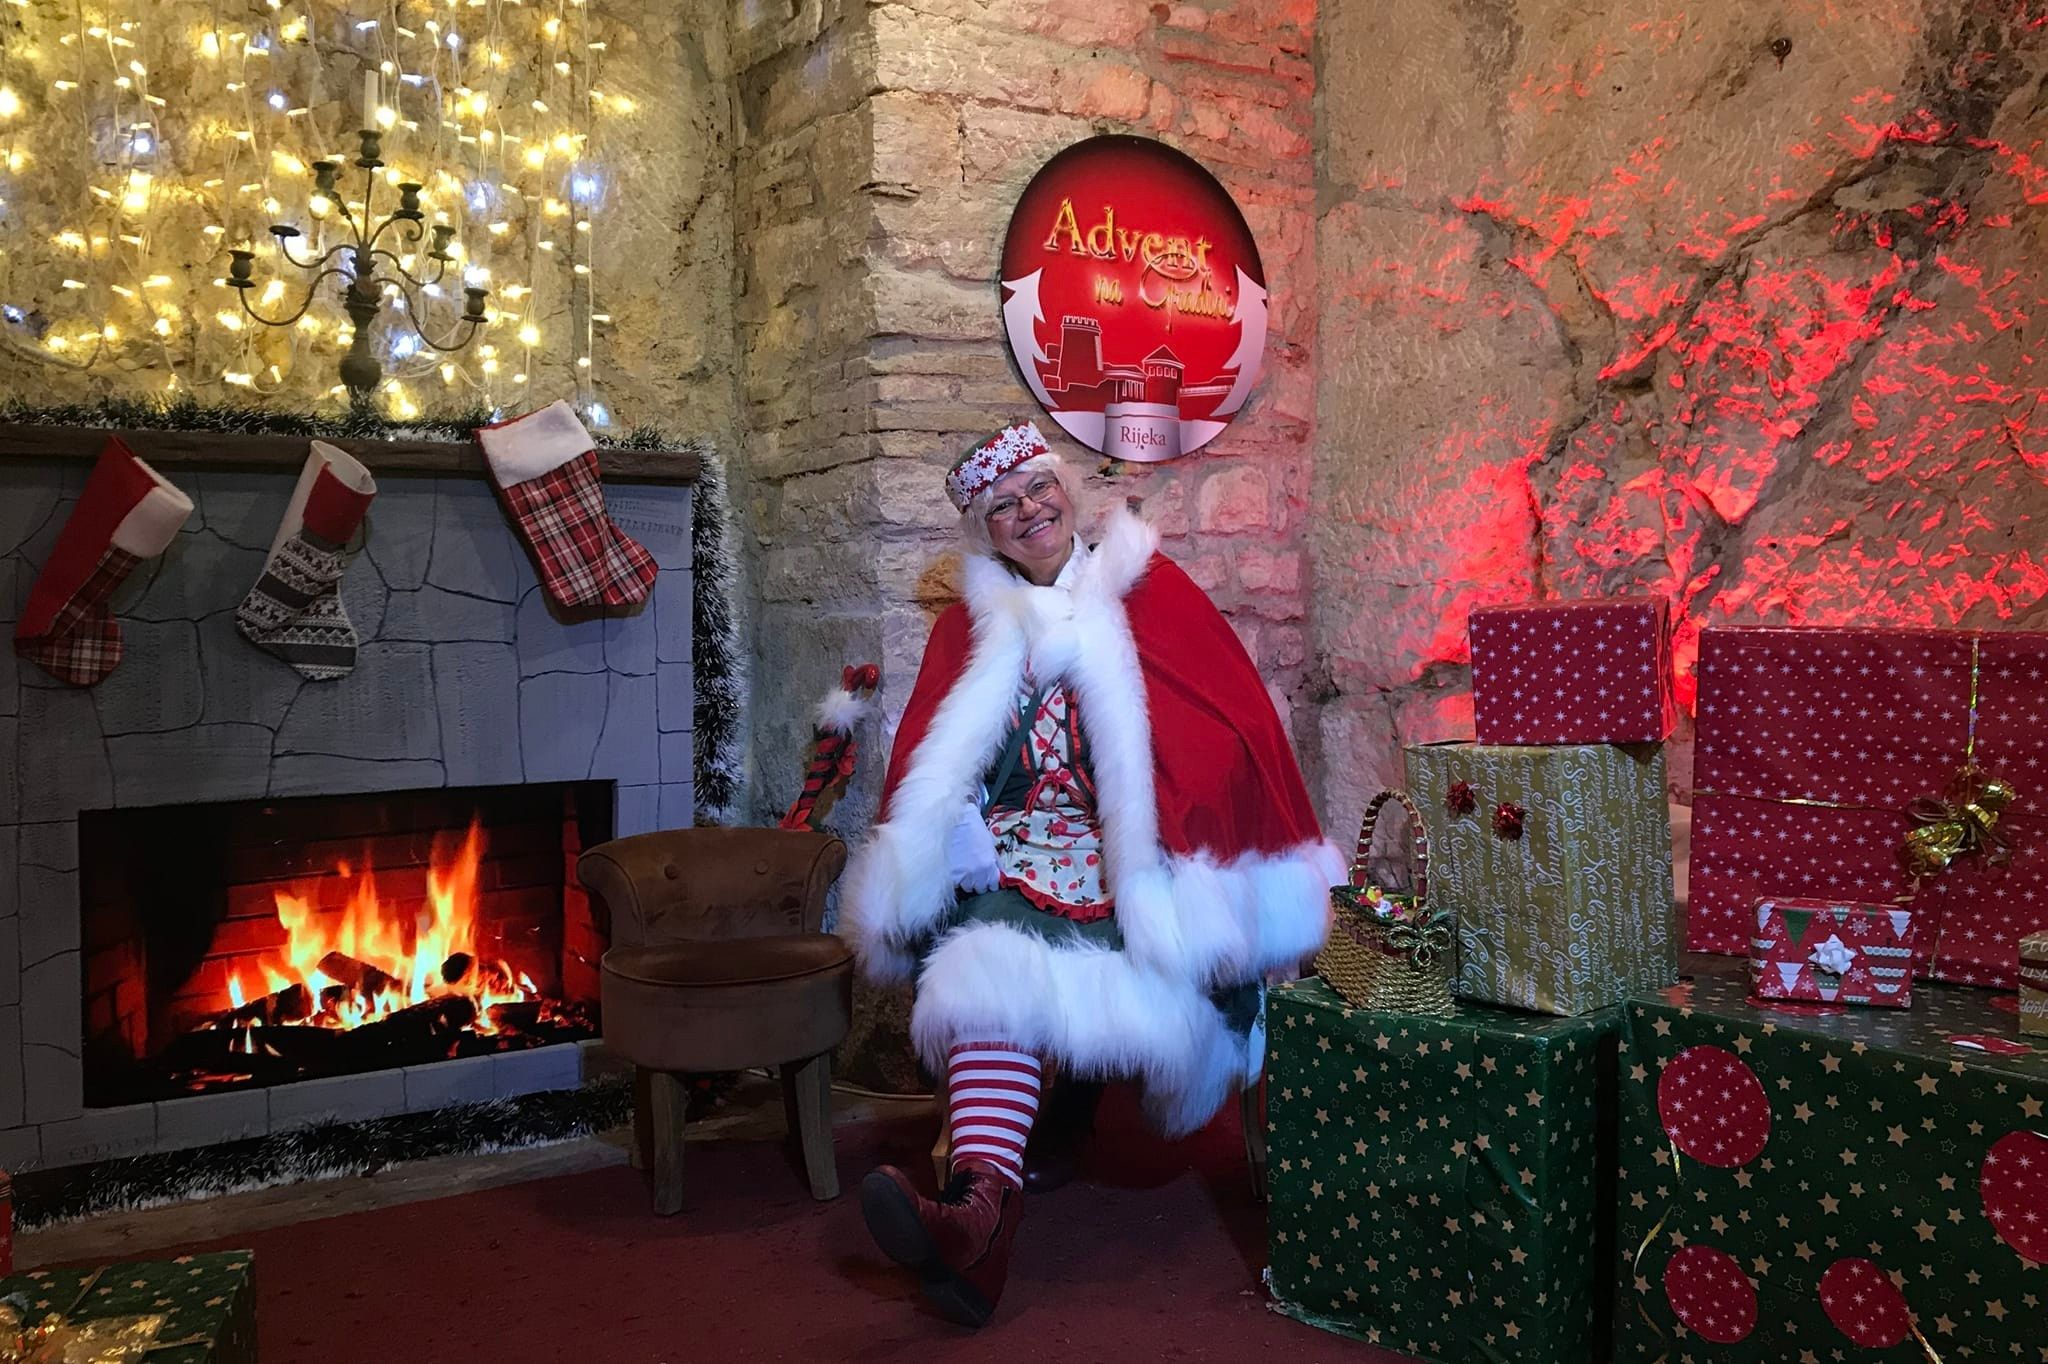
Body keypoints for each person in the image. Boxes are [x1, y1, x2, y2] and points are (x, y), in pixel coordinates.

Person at [843, 420, 1342, 1328]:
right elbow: (933, 758)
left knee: (1088, 939)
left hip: (1133, 856)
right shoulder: (969, 627)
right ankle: (978, 1211)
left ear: (1065, 490)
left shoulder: (1149, 590)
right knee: (983, 950)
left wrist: (1172, 831)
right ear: (985, 532)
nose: (1029, 511)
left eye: (1039, 489)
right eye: (1004, 506)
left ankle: (993, 1203)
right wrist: (956, 820)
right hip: (1015, 847)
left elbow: (1226, 727)